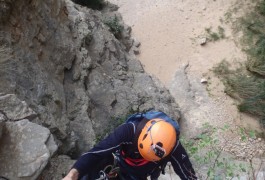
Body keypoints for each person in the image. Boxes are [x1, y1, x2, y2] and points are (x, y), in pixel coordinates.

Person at [63, 110, 197, 180]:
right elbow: (96, 153)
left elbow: (187, 172)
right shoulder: (128, 131)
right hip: (116, 163)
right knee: (90, 171)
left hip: (138, 175)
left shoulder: (172, 146)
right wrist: (72, 175)